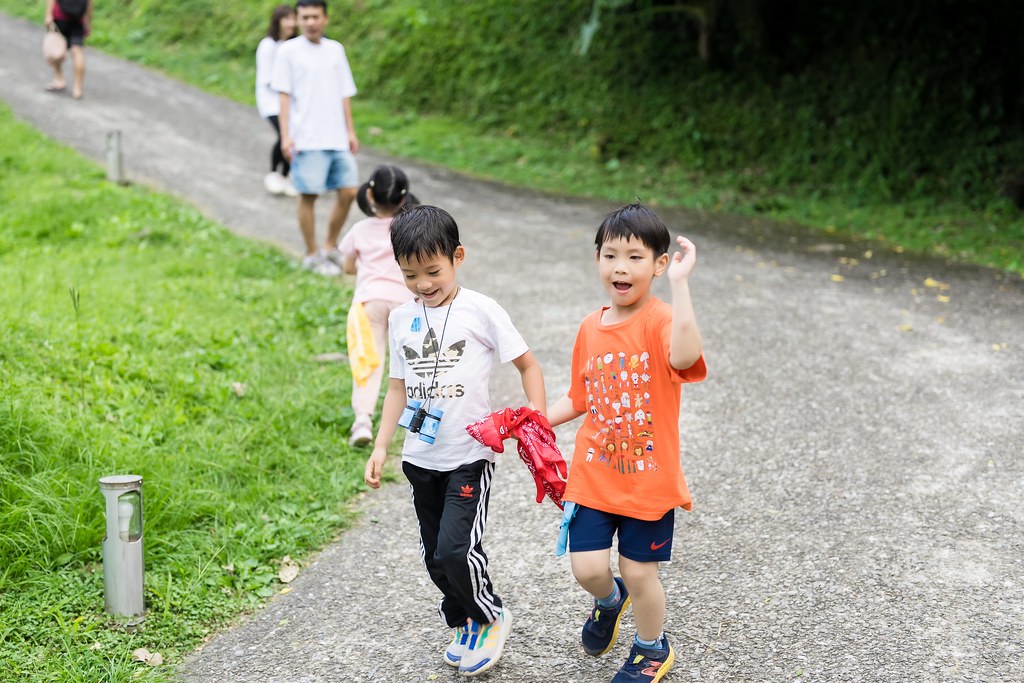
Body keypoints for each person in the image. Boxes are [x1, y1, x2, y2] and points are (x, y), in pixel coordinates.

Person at [363, 204, 546, 677]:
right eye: (409, 275)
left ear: (457, 256)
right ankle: (464, 619)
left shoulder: (481, 310)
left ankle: (490, 616)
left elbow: (528, 365)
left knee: (455, 549)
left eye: (432, 271)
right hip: (420, 457)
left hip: (468, 456)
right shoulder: (402, 319)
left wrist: (535, 419)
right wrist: (383, 445)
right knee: (433, 555)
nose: (423, 284)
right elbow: (398, 389)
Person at [545, 203, 707, 683]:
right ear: (597, 259)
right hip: (594, 474)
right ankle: (608, 602)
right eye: (611, 255)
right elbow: (579, 395)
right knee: (588, 569)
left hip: (648, 483)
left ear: (658, 264)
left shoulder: (661, 321)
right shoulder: (589, 327)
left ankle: (651, 647)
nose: (621, 266)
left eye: (635, 257)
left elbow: (685, 355)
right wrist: (531, 422)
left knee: (640, 574)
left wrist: (681, 286)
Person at [270, 0, 359, 277]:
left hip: (336, 137)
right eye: (304, 17)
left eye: (314, 17)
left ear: (325, 19)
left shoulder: (336, 50)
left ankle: (330, 245)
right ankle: (312, 254)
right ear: (297, 19)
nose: (309, 22)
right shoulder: (288, 51)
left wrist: (350, 131)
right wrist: (286, 136)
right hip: (307, 138)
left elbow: (344, 93)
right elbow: (283, 96)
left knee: (349, 192)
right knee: (309, 195)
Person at [338, 165, 418, 446]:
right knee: (412, 363)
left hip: (369, 302)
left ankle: (362, 422)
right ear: (404, 198)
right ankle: (418, 420)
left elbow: (348, 267)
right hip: (405, 303)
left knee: (368, 361)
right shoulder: (408, 228)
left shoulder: (359, 230)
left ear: (369, 194)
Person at [255, 5, 298, 198]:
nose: (291, 23)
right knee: (284, 135)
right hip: (270, 100)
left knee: (293, 135)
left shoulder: (293, 46)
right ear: (278, 21)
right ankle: (274, 173)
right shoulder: (268, 45)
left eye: (293, 19)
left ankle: (286, 176)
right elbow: (268, 78)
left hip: (290, 101)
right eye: (287, 18)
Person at [44, 0, 92, 100]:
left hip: (60, 17)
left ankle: (59, 79)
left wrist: (48, 14)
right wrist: (87, 21)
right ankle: (77, 89)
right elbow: (89, 3)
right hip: (78, 19)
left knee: (55, 46)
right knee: (77, 51)